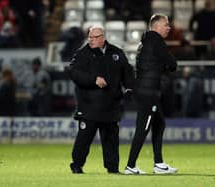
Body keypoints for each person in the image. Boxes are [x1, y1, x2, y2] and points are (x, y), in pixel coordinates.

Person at [67, 26, 134, 174]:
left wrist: (129, 88)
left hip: (111, 105)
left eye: (95, 37)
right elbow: (74, 73)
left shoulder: (116, 53)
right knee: (84, 139)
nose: (91, 40)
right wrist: (93, 79)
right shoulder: (82, 54)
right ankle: (77, 165)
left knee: (111, 140)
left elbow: (127, 72)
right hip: (89, 105)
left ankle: (113, 168)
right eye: (90, 37)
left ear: (103, 37)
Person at [124, 14, 178, 174]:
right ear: (156, 27)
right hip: (148, 92)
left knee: (159, 123)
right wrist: (166, 67)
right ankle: (130, 165)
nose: (169, 27)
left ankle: (159, 163)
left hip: (145, 90)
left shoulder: (146, 42)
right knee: (143, 128)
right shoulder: (156, 41)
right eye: (166, 25)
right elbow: (172, 64)